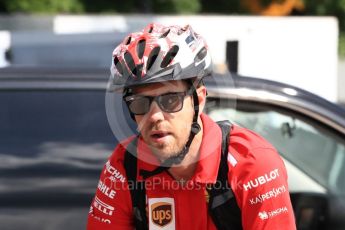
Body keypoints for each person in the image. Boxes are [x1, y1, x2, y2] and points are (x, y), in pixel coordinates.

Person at [87, 23, 296, 230]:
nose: (155, 116)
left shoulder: (252, 163)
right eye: (140, 103)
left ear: (199, 99)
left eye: (170, 101)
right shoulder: (125, 164)